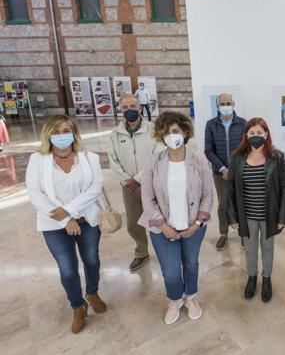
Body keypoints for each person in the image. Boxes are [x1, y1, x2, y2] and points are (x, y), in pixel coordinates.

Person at [25, 115, 106, 334]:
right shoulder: (38, 160)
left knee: (91, 260)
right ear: (48, 135)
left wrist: (70, 211)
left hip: (86, 220)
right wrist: (66, 218)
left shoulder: (89, 158)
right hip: (54, 224)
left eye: (67, 130)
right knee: (68, 269)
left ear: (74, 133)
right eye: (57, 131)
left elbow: (95, 187)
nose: (63, 135)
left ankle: (92, 292)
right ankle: (77, 305)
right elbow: (35, 193)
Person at [139, 112, 214, 325]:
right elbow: (147, 198)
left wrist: (198, 224)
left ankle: (191, 297)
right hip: (162, 228)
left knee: (191, 263)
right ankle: (174, 300)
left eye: (176, 131)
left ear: (184, 133)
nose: (172, 136)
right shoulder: (153, 162)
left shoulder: (199, 160)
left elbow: (208, 194)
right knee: (170, 271)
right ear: (161, 136)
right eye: (167, 132)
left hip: (193, 226)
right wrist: (162, 226)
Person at [227, 118, 285, 302]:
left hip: (269, 214)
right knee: (250, 248)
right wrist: (232, 216)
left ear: (266, 134)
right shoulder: (237, 157)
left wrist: (283, 217)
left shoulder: (277, 157)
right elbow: (230, 187)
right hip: (247, 214)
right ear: (246, 135)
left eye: (259, 133)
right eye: (252, 133)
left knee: (268, 247)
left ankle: (267, 278)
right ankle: (252, 277)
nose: (256, 136)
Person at [108, 94, 162, 271]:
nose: (129, 110)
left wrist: (138, 179)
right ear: (120, 110)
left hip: (153, 183)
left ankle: (165, 250)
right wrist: (127, 181)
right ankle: (141, 252)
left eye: (133, 106)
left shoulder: (153, 130)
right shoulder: (115, 134)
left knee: (158, 218)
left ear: (140, 107)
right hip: (128, 187)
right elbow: (113, 160)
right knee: (133, 222)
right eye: (125, 107)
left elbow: (158, 155)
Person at [204, 93, 247, 250]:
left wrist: (235, 169)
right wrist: (223, 169)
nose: (226, 106)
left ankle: (243, 233)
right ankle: (224, 233)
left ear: (233, 104)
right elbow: (208, 150)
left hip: (239, 172)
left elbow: (247, 149)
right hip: (219, 173)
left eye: (228, 103)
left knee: (241, 203)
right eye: (222, 104)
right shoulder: (211, 125)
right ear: (217, 106)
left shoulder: (243, 124)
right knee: (223, 204)